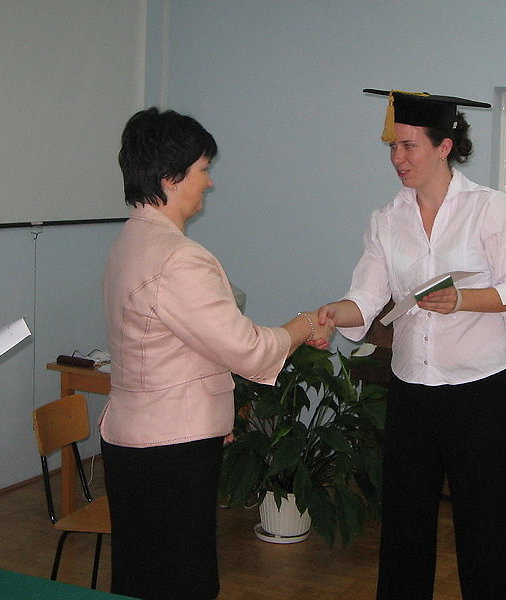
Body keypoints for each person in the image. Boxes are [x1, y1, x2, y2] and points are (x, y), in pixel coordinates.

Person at [100, 107, 334, 600]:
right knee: (181, 579)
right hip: (168, 448)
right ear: (170, 177)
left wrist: (213, 414)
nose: (208, 182)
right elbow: (248, 349)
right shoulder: (179, 258)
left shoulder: (130, 240)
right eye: (203, 170)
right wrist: (306, 324)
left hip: (139, 437)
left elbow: (183, 343)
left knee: (143, 575)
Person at [314, 89, 506, 600]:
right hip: (412, 392)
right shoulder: (386, 219)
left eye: (409, 146)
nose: (398, 158)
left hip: (479, 393)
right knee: (404, 527)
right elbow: (366, 298)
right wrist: (332, 313)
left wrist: (462, 300)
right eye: (393, 146)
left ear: (444, 147)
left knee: (487, 530)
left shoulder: (488, 208)